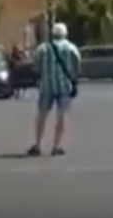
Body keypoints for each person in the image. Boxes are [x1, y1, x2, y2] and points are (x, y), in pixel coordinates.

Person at [28, 22, 80, 157]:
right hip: (64, 86)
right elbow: (77, 65)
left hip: (46, 85)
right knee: (62, 116)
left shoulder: (43, 48)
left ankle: (38, 145)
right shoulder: (71, 48)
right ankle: (56, 146)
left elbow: (36, 66)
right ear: (65, 34)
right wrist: (72, 76)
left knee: (42, 115)